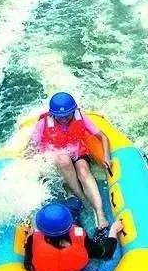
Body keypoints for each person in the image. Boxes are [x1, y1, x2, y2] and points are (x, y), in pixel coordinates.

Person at [30, 92, 111, 233]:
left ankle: (99, 212)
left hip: (77, 153)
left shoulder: (80, 117)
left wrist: (107, 156)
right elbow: (33, 147)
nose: (64, 119)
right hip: (57, 158)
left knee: (83, 170)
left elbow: (102, 136)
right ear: (53, 114)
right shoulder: (43, 122)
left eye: (67, 115)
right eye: (60, 117)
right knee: (64, 160)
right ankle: (83, 199)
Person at [24, 202, 124, 271]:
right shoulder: (80, 238)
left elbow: (27, 264)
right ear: (69, 225)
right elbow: (106, 253)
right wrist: (113, 231)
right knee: (75, 204)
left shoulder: (32, 240)